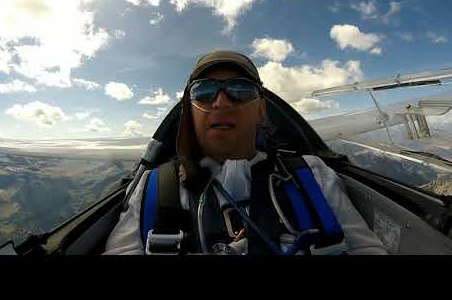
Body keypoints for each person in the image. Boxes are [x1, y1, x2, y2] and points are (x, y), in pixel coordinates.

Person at [103, 51, 387, 255]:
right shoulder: (154, 187)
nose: (222, 101)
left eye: (240, 89)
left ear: (261, 111)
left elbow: (367, 248)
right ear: (188, 113)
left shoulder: (311, 174)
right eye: (204, 91)